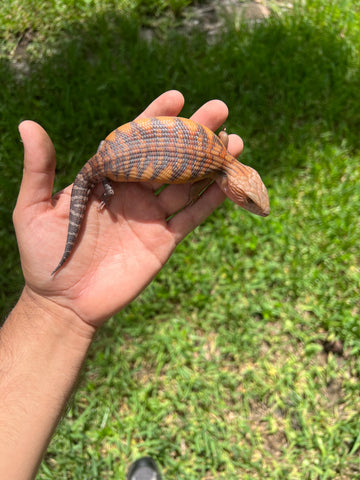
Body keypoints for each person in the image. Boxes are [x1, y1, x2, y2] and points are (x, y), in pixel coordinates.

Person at [0, 90, 244, 480]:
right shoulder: (214, 165)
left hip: (110, 156)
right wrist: (51, 305)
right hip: (110, 169)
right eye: (247, 199)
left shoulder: (214, 155)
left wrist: (51, 309)